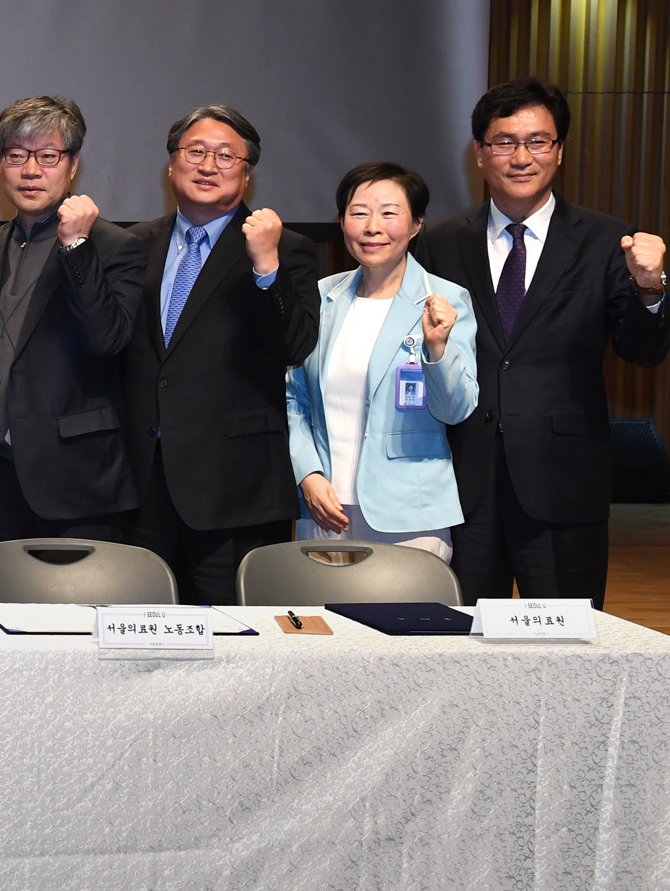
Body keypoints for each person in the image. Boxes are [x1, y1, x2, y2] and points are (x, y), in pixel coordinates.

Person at [411, 78, 670, 607]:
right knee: (458, 639)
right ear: (479, 153)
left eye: (538, 141)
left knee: (565, 639)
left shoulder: (607, 240)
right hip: (462, 483)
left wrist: (650, 287)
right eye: (504, 142)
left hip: (564, 482)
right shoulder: (439, 242)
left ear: (560, 151)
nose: (521, 157)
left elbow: (643, 352)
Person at [122, 105, 319, 604]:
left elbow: (295, 345)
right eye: (196, 152)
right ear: (171, 163)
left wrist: (267, 266)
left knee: (232, 636)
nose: (208, 166)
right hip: (142, 486)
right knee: (138, 629)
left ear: (247, 174)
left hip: (235, 491)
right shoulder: (134, 244)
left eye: (227, 156)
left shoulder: (285, 248)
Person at [0, 97, 146, 543]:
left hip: (79, 480)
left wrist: (77, 247)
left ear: (73, 165)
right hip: (0, 473)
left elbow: (107, 339)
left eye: (47, 156)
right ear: (0, 164)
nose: (30, 171)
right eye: (16, 155)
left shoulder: (115, 246)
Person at [286, 163, 478, 559]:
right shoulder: (320, 297)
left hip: (410, 515)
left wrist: (437, 349)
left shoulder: (445, 300)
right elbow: (293, 398)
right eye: (359, 213)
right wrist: (307, 473)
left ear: (416, 224)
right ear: (342, 222)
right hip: (324, 509)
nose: (372, 227)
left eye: (389, 213)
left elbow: (456, 409)